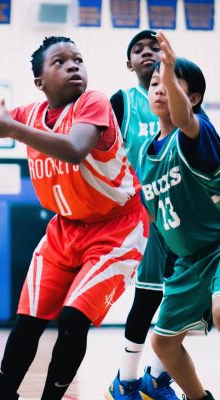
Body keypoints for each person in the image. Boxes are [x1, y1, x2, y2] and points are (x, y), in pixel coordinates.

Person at [0, 36, 149, 400]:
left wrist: (10, 128)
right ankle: (3, 397)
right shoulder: (29, 115)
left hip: (117, 227)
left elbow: (75, 150)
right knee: (28, 319)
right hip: (65, 228)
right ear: (40, 82)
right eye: (60, 62)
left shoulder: (92, 102)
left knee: (73, 319)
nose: (73, 66)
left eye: (78, 59)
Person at [137, 31, 220, 400]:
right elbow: (154, 218)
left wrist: (168, 70)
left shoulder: (196, 133)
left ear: (194, 97)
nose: (159, 88)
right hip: (188, 261)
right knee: (164, 344)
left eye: (169, 83)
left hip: (218, 247)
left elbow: (184, 118)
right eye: (154, 83)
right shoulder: (144, 153)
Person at [107, 30, 179, 400]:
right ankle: (126, 379)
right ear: (129, 63)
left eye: (154, 47)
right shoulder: (123, 102)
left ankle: (157, 377)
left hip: (183, 218)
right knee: (149, 298)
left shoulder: (183, 104)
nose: (148, 52)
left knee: (183, 300)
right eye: (139, 49)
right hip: (145, 216)